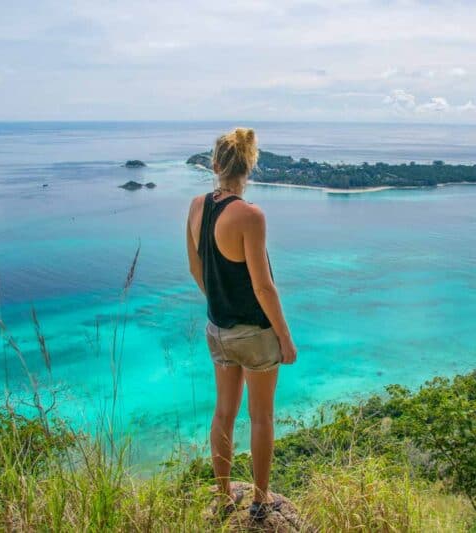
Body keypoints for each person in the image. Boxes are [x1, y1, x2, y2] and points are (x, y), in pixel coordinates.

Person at [186, 127, 297, 520]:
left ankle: (222, 494)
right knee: (261, 417)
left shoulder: (198, 205)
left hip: (217, 330)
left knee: (223, 413)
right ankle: (261, 500)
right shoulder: (250, 216)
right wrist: (284, 338)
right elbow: (263, 286)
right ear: (250, 167)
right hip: (254, 332)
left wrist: (220, 305)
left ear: (215, 165)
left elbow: (196, 267)